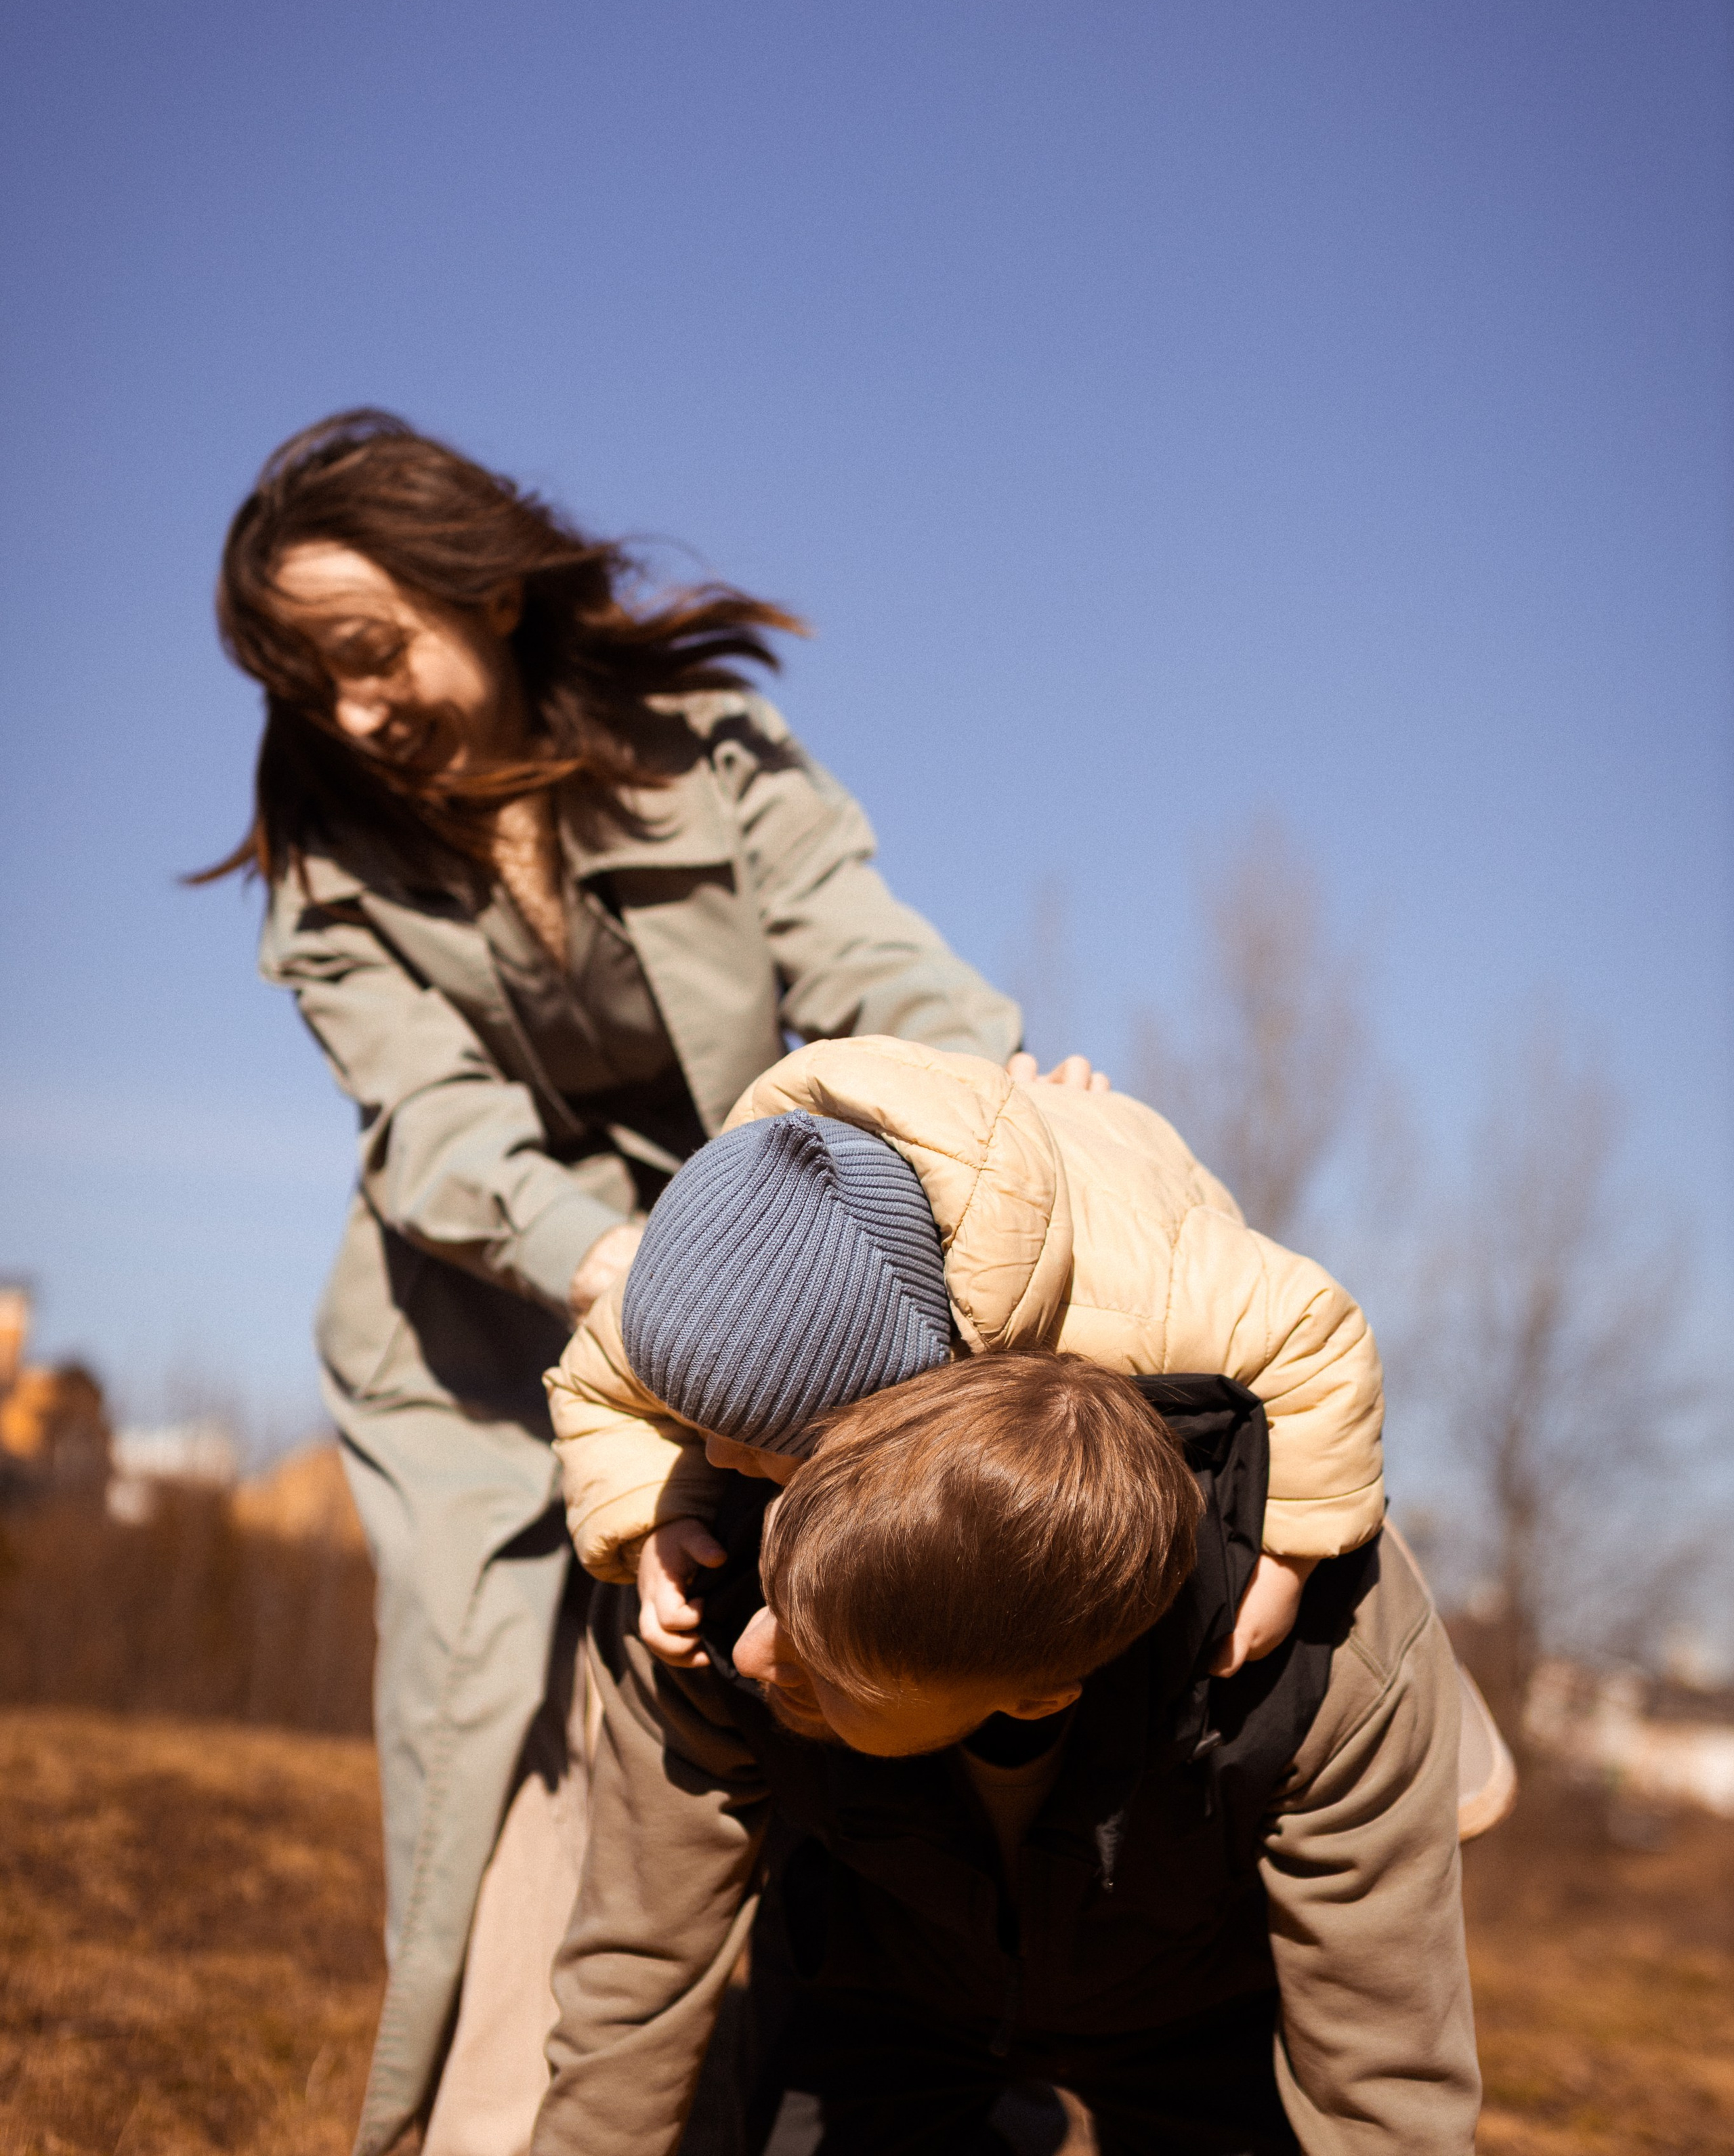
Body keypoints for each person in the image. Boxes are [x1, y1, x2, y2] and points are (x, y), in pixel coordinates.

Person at [200, 408, 1048, 2156]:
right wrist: (611, 1262)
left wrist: (999, 1119)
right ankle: (500, 2123)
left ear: (484, 589)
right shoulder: (334, 872)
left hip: (742, 1277)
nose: (356, 711)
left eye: (368, 652)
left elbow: (866, 955)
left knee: (836, 1620)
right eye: (312, 683)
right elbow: (427, 1125)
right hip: (473, 1339)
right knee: (502, 1730)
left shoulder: (704, 752)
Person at [532, 1353, 1481, 2156]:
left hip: (1200, 2003)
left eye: (824, 1669)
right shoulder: (706, 1581)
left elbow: (1387, 2082)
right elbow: (636, 1976)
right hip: (876, 1977)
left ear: (1038, 1693)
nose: (751, 1653)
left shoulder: (1332, 1665)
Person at [547, 1034, 1387, 1680]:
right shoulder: (708, 1284)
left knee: (1349, 1579)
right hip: (981, 1170)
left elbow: (1317, 1332)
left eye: (759, 1440)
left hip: (1132, 1191)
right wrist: (653, 1514)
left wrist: (1286, 1561)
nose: (716, 1456)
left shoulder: (1134, 1298)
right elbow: (592, 1382)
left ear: (908, 1388)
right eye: (696, 1425)